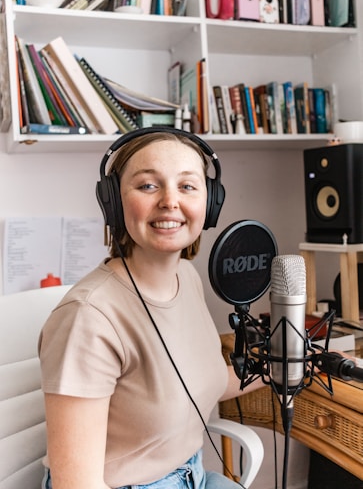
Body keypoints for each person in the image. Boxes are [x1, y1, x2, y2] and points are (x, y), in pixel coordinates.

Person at [38, 127, 264, 489]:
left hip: (194, 475)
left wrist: (283, 365)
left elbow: (200, 382)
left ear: (211, 202)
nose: (170, 201)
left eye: (188, 186)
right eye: (148, 185)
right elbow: (76, 484)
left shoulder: (186, 278)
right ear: (113, 201)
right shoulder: (88, 316)